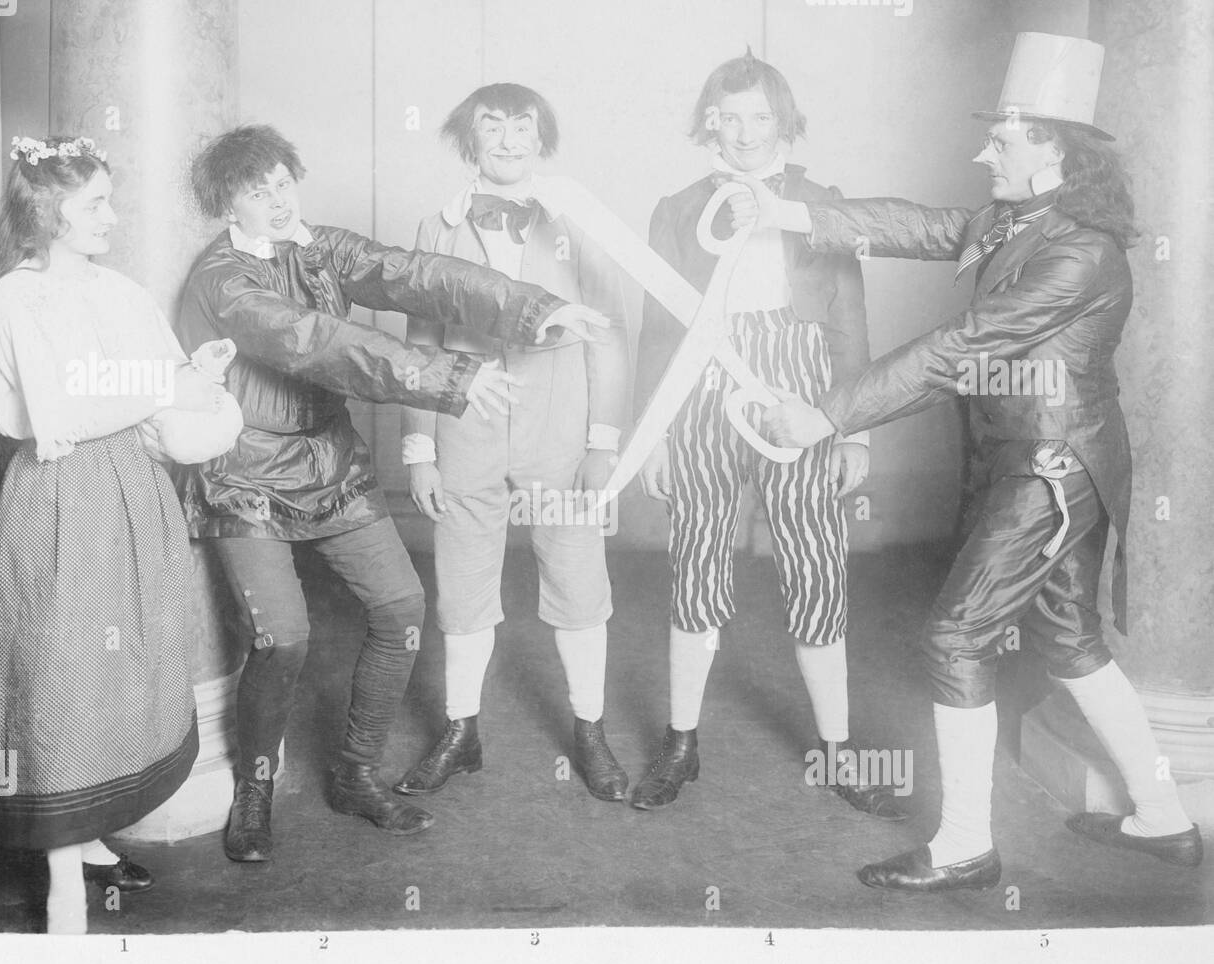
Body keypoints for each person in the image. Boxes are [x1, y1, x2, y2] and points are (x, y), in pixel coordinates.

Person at [752, 32, 1203, 890]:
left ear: (1053, 147)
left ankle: (964, 843)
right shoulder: (1013, 219)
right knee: (1070, 641)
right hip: (1042, 462)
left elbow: (963, 345)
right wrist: (795, 213)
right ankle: (1164, 816)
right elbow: (919, 225)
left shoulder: (1083, 252)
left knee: (957, 634)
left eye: (1000, 139)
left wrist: (827, 411)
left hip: (1050, 468)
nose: (981, 151)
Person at [177, 125, 609, 861]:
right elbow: (314, 341)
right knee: (285, 636)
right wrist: (451, 377)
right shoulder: (221, 278)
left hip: (329, 464)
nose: (279, 200)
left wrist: (533, 308)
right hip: (246, 474)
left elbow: (417, 273)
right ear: (228, 203)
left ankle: (354, 770)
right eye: (259, 191)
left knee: (402, 607)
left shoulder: (319, 247)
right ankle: (254, 786)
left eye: (285, 182)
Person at [0, 135, 234, 933]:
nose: (112, 216)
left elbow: (159, 383)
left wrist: (194, 374)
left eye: (111, 198)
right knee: (58, 676)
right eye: (95, 203)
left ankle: (93, 836)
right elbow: (57, 416)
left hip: (133, 496)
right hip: (60, 498)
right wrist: (149, 391)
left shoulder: (121, 290)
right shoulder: (17, 297)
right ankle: (64, 878)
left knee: (119, 670)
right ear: (49, 212)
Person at [631, 51, 903, 818]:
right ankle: (681, 742)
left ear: (782, 120)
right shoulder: (677, 207)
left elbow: (848, 315)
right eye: (729, 115)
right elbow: (657, 330)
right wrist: (652, 434)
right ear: (708, 119)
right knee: (696, 559)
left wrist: (854, 430)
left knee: (817, 562)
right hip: (705, 382)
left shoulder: (821, 202)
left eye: (760, 116)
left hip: (801, 385)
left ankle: (839, 749)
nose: (745, 132)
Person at [394, 83, 630, 802]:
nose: (506, 141)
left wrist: (602, 441)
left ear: (541, 136)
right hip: (465, 432)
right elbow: (421, 338)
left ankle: (590, 731)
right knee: (461, 589)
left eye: (520, 127)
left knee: (578, 581)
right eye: (491, 128)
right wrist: (421, 448)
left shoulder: (574, 222)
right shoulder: (438, 228)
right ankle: (461, 732)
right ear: (470, 140)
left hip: (557, 432)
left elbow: (607, 335)